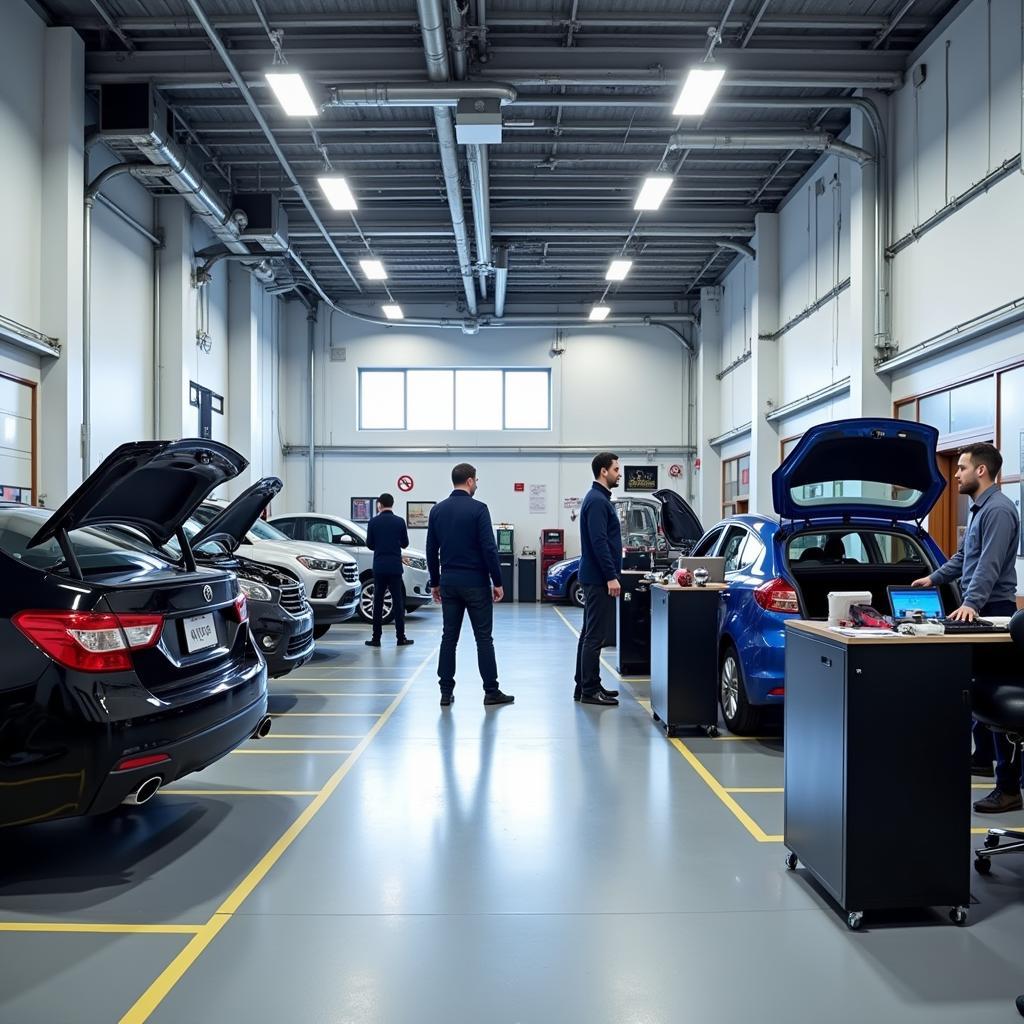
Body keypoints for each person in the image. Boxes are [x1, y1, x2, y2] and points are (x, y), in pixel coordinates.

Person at [912, 442, 1021, 812]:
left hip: (993, 611)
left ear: (981, 471)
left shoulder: (1000, 511)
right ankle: (981, 759)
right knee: (976, 684)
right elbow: (964, 557)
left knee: (994, 691)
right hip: (978, 609)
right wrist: (934, 579)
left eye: (961, 467)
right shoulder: (979, 510)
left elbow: (988, 564)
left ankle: (1008, 786)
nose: (955, 473)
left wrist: (970, 605)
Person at [425, 464, 514, 708]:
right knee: (483, 639)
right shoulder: (479, 509)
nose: (477, 484)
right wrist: (497, 581)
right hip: (476, 583)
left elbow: (431, 549)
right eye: (476, 481)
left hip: (449, 583)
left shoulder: (437, 511)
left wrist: (435, 582)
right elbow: (489, 548)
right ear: (470, 481)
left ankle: (445, 692)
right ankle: (491, 691)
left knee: (449, 638)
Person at [573, 452, 623, 706]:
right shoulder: (597, 501)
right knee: (595, 636)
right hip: (597, 579)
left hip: (594, 577)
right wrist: (611, 577)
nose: (619, 473)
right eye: (616, 469)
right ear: (603, 471)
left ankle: (584, 683)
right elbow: (599, 542)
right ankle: (589, 690)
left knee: (588, 634)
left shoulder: (599, 499)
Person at [364, 493, 414, 648]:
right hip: (394, 568)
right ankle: (401, 637)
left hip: (379, 567)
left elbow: (370, 545)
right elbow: (405, 544)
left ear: (379, 504)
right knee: (398, 603)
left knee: (377, 602)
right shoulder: (399, 522)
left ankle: (376, 638)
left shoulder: (373, 522)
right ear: (392, 504)